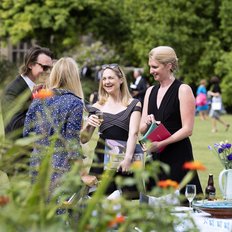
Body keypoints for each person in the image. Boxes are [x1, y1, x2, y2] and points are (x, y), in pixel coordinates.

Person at [23, 57, 96, 199]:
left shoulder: (39, 99)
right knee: (62, 216)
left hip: (38, 165)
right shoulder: (74, 102)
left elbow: (27, 134)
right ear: (74, 77)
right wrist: (84, 175)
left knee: (42, 215)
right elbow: (72, 143)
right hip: (61, 169)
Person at [140, 46, 203, 196]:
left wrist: (161, 144)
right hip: (155, 159)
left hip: (178, 157)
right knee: (155, 206)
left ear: (168, 66)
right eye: (150, 67)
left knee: (180, 206)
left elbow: (188, 129)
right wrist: (148, 123)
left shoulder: (183, 90)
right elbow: (142, 128)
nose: (151, 71)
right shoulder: (150, 91)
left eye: (155, 67)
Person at [81, 63, 142, 199]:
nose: (107, 82)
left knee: (126, 203)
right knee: (100, 202)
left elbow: (133, 133)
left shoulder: (134, 104)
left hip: (124, 160)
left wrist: (127, 159)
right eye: (104, 79)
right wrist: (88, 124)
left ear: (121, 80)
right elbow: (84, 139)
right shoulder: (96, 106)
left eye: (111, 78)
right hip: (101, 161)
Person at [2, 45, 53, 139]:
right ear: (30, 64)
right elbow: (15, 126)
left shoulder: (38, 88)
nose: (48, 72)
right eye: (45, 67)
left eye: (50, 68)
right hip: (19, 151)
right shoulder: (13, 90)